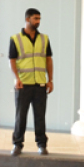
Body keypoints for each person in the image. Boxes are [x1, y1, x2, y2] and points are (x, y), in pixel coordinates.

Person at [8, 8, 53, 155]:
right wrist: (17, 78)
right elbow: (12, 60)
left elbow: (48, 60)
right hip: (23, 85)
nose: (38, 22)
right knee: (21, 116)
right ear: (27, 19)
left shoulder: (44, 38)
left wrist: (50, 80)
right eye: (35, 19)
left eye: (39, 19)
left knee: (40, 116)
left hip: (40, 84)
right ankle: (17, 144)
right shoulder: (15, 39)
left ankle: (42, 145)